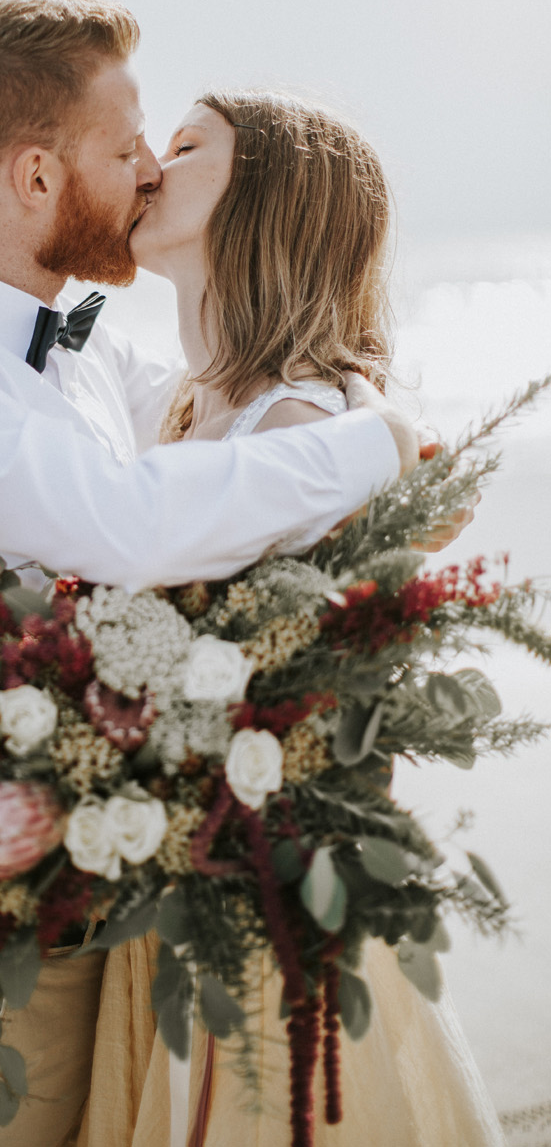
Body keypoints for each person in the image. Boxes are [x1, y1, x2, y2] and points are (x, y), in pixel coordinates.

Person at [0, 0, 460, 1147]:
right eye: (127, 151)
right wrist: (378, 440)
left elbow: (225, 415)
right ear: (33, 177)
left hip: (114, 896)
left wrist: (358, 400)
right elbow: (127, 521)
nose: (146, 175)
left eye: (167, 150)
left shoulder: (86, 355)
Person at [75, 90, 504, 1146]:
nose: (146, 164)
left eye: (182, 149)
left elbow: (317, 694)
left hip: (261, 913)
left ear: (263, 200)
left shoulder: (304, 420)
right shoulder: (193, 400)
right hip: (182, 883)